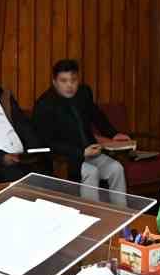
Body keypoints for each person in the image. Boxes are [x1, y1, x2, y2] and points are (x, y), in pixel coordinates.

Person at [33, 59, 130, 192]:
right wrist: (81, 152)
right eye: (64, 81)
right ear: (54, 82)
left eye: (73, 80)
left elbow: (97, 115)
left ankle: (120, 206)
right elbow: (48, 142)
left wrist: (114, 134)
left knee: (116, 168)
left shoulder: (83, 92)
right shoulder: (44, 104)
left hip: (91, 152)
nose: (69, 85)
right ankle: (90, 207)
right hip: (65, 158)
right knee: (92, 172)